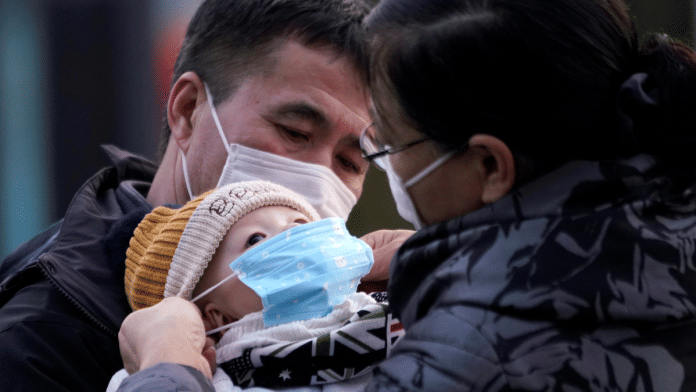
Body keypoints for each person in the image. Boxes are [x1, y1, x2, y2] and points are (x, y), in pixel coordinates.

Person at [118, 0, 696, 390]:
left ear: (489, 165)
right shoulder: (660, 246)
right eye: (294, 133)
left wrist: (168, 366)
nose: (311, 192)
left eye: (379, 146)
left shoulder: (464, 354)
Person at [0, 1, 412, 391]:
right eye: (294, 133)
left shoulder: (366, 305)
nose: (317, 181)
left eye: (350, 162)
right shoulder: (43, 337)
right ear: (188, 109)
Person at [106, 181, 402, 391]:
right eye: (256, 239)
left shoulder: (397, 299)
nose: (290, 231)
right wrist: (168, 356)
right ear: (215, 317)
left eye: (300, 224)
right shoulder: (213, 376)